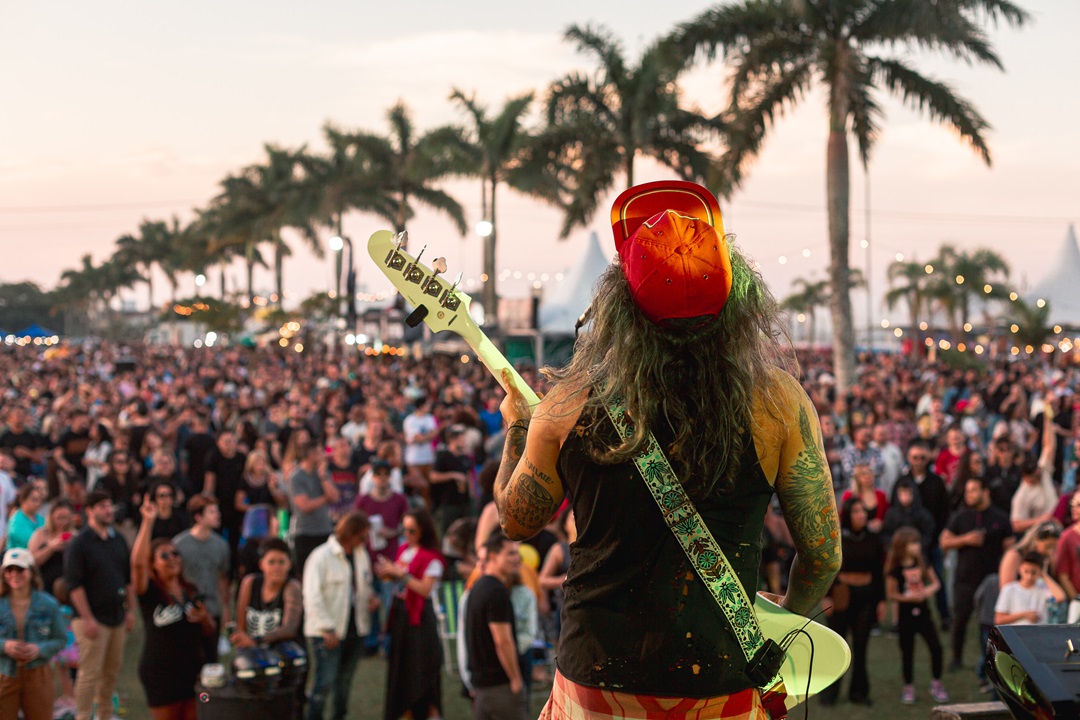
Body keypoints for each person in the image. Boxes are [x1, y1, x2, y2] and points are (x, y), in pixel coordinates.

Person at [495, 181, 841, 718]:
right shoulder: (779, 402)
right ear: (735, 301)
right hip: (722, 684)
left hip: (598, 682)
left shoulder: (568, 401)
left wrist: (518, 430)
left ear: (619, 305)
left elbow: (516, 521)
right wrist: (782, 622)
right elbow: (822, 555)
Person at [131, 497, 215, 720]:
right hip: (160, 675)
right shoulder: (149, 593)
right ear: (153, 564)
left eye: (175, 553)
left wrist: (204, 619)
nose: (172, 559)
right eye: (164, 555)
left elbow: (209, 630)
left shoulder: (191, 591)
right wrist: (148, 522)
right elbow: (137, 565)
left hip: (193, 673)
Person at [63, 490, 135, 720]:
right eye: (102, 506)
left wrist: (130, 611)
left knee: (111, 673)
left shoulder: (118, 540)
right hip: (91, 619)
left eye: (109, 505)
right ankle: (83, 716)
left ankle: (105, 715)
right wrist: (87, 618)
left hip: (117, 616)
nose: (108, 510)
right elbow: (74, 585)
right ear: (90, 511)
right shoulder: (80, 544)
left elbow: (127, 579)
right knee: (89, 673)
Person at [302, 511, 377, 720]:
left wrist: (371, 598)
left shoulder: (361, 554)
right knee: (324, 682)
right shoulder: (321, 556)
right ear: (351, 534)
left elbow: (364, 584)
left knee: (344, 681)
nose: (365, 541)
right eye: (362, 536)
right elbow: (312, 596)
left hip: (355, 627)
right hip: (328, 631)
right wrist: (326, 628)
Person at [376, 509, 444, 720]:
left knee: (421, 668)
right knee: (401, 667)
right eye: (403, 530)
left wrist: (400, 574)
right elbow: (399, 580)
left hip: (420, 619)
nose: (406, 535)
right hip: (401, 615)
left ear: (423, 531)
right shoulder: (404, 549)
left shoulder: (431, 557)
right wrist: (388, 573)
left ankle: (427, 711)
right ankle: (404, 711)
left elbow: (424, 589)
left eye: (411, 530)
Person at [940, 476, 1013, 671]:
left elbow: (1010, 547)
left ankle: (989, 662)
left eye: (973, 490)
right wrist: (965, 539)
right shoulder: (961, 516)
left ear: (985, 492)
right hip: (964, 579)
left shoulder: (1000, 518)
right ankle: (956, 658)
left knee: (988, 625)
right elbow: (944, 541)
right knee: (960, 621)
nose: (968, 495)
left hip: (990, 580)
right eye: (967, 491)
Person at [819, 498, 885, 706]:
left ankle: (859, 692)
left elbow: (879, 572)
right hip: (841, 596)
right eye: (856, 511)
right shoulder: (837, 538)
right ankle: (830, 694)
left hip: (866, 597)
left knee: (861, 646)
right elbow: (828, 568)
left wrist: (881, 600)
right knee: (837, 647)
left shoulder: (874, 539)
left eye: (863, 511)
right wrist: (826, 597)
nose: (861, 515)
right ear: (848, 515)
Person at [466, 531, 527, 720]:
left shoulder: (478, 586)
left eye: (517, 553)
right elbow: (503, 642)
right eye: (511, 553)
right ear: (492, 556)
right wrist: (516, 679)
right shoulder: (496, 592)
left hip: (482, 686)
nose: (517, 559)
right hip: (499, 686)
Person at [0, 548, 67, 720]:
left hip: (38, 673)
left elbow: (60, 639)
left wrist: (39, 649)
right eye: (9, 570)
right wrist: (5, 645)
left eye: (20, 569)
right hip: (4, 673)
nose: (14, 574)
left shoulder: (49, 604)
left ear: (31, 572)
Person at [884, 528, 947, 705]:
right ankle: (908, 686)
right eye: (913, 543)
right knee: (907, 651)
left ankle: (936, 683)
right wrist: (908, 598)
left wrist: (926, 592)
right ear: (902, 546)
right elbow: (891, 594)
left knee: (936, 647)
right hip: (905, 616)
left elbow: (936, 583)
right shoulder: (895, 570)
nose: (917, 546)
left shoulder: (922, 563)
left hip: (924, 613)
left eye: (917, 542)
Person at [172, 495, 231, 663]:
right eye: (212, 512)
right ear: (198, 517)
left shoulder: (221, 545)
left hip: (212, 609)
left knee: (211, 661)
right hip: (186, 611)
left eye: (217, 511)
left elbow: (222, 579)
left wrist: (225, 609)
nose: (217, 515)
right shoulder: (179, 544)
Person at [230, 538, 302, 647]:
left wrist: (257, 641)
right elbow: (240, 626)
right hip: (251, 649)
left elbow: (289, 628)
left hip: (282, 650)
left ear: (289, 564)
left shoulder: (292, 587)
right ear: (261, 564)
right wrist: (242, 640)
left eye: (281, 562)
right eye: (271, 562)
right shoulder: (250, 583)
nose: (276, 567)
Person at [289, 441, 338, 576]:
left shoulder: (323, 473)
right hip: (305, 533)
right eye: (321, 452)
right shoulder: (296, 477)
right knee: (306, 574)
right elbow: (305, 506)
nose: (324, 455)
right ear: (312, 454)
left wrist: (323, 477)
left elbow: (334, 497)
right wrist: (325, 499)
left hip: (325, 530)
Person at [994, 551, 1066, 626]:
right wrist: (1024, 615)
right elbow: (999, 620)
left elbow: (1060, 597)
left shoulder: (1043, 588)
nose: (1029, 576)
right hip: (1017, 632)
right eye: (1026, 571)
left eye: (1033, 573)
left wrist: (1044, 575)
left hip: (1039, 632)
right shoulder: (1009, 589)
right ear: (1019, 568)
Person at [28, 499, 75, 598]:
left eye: (66, 518)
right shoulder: (41, 534)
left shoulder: (75, 535)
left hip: (66, 582)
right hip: (44, 580)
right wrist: (50, 548)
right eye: (59, 518)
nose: (63, 522)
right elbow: (31, 561)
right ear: (51, 517)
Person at [6, 484, 45, 551]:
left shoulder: (41, 519)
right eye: (34, 500)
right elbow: (30, 541)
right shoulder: (16, 521)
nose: (37, 503)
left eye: (39, 500)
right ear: (23, 500)